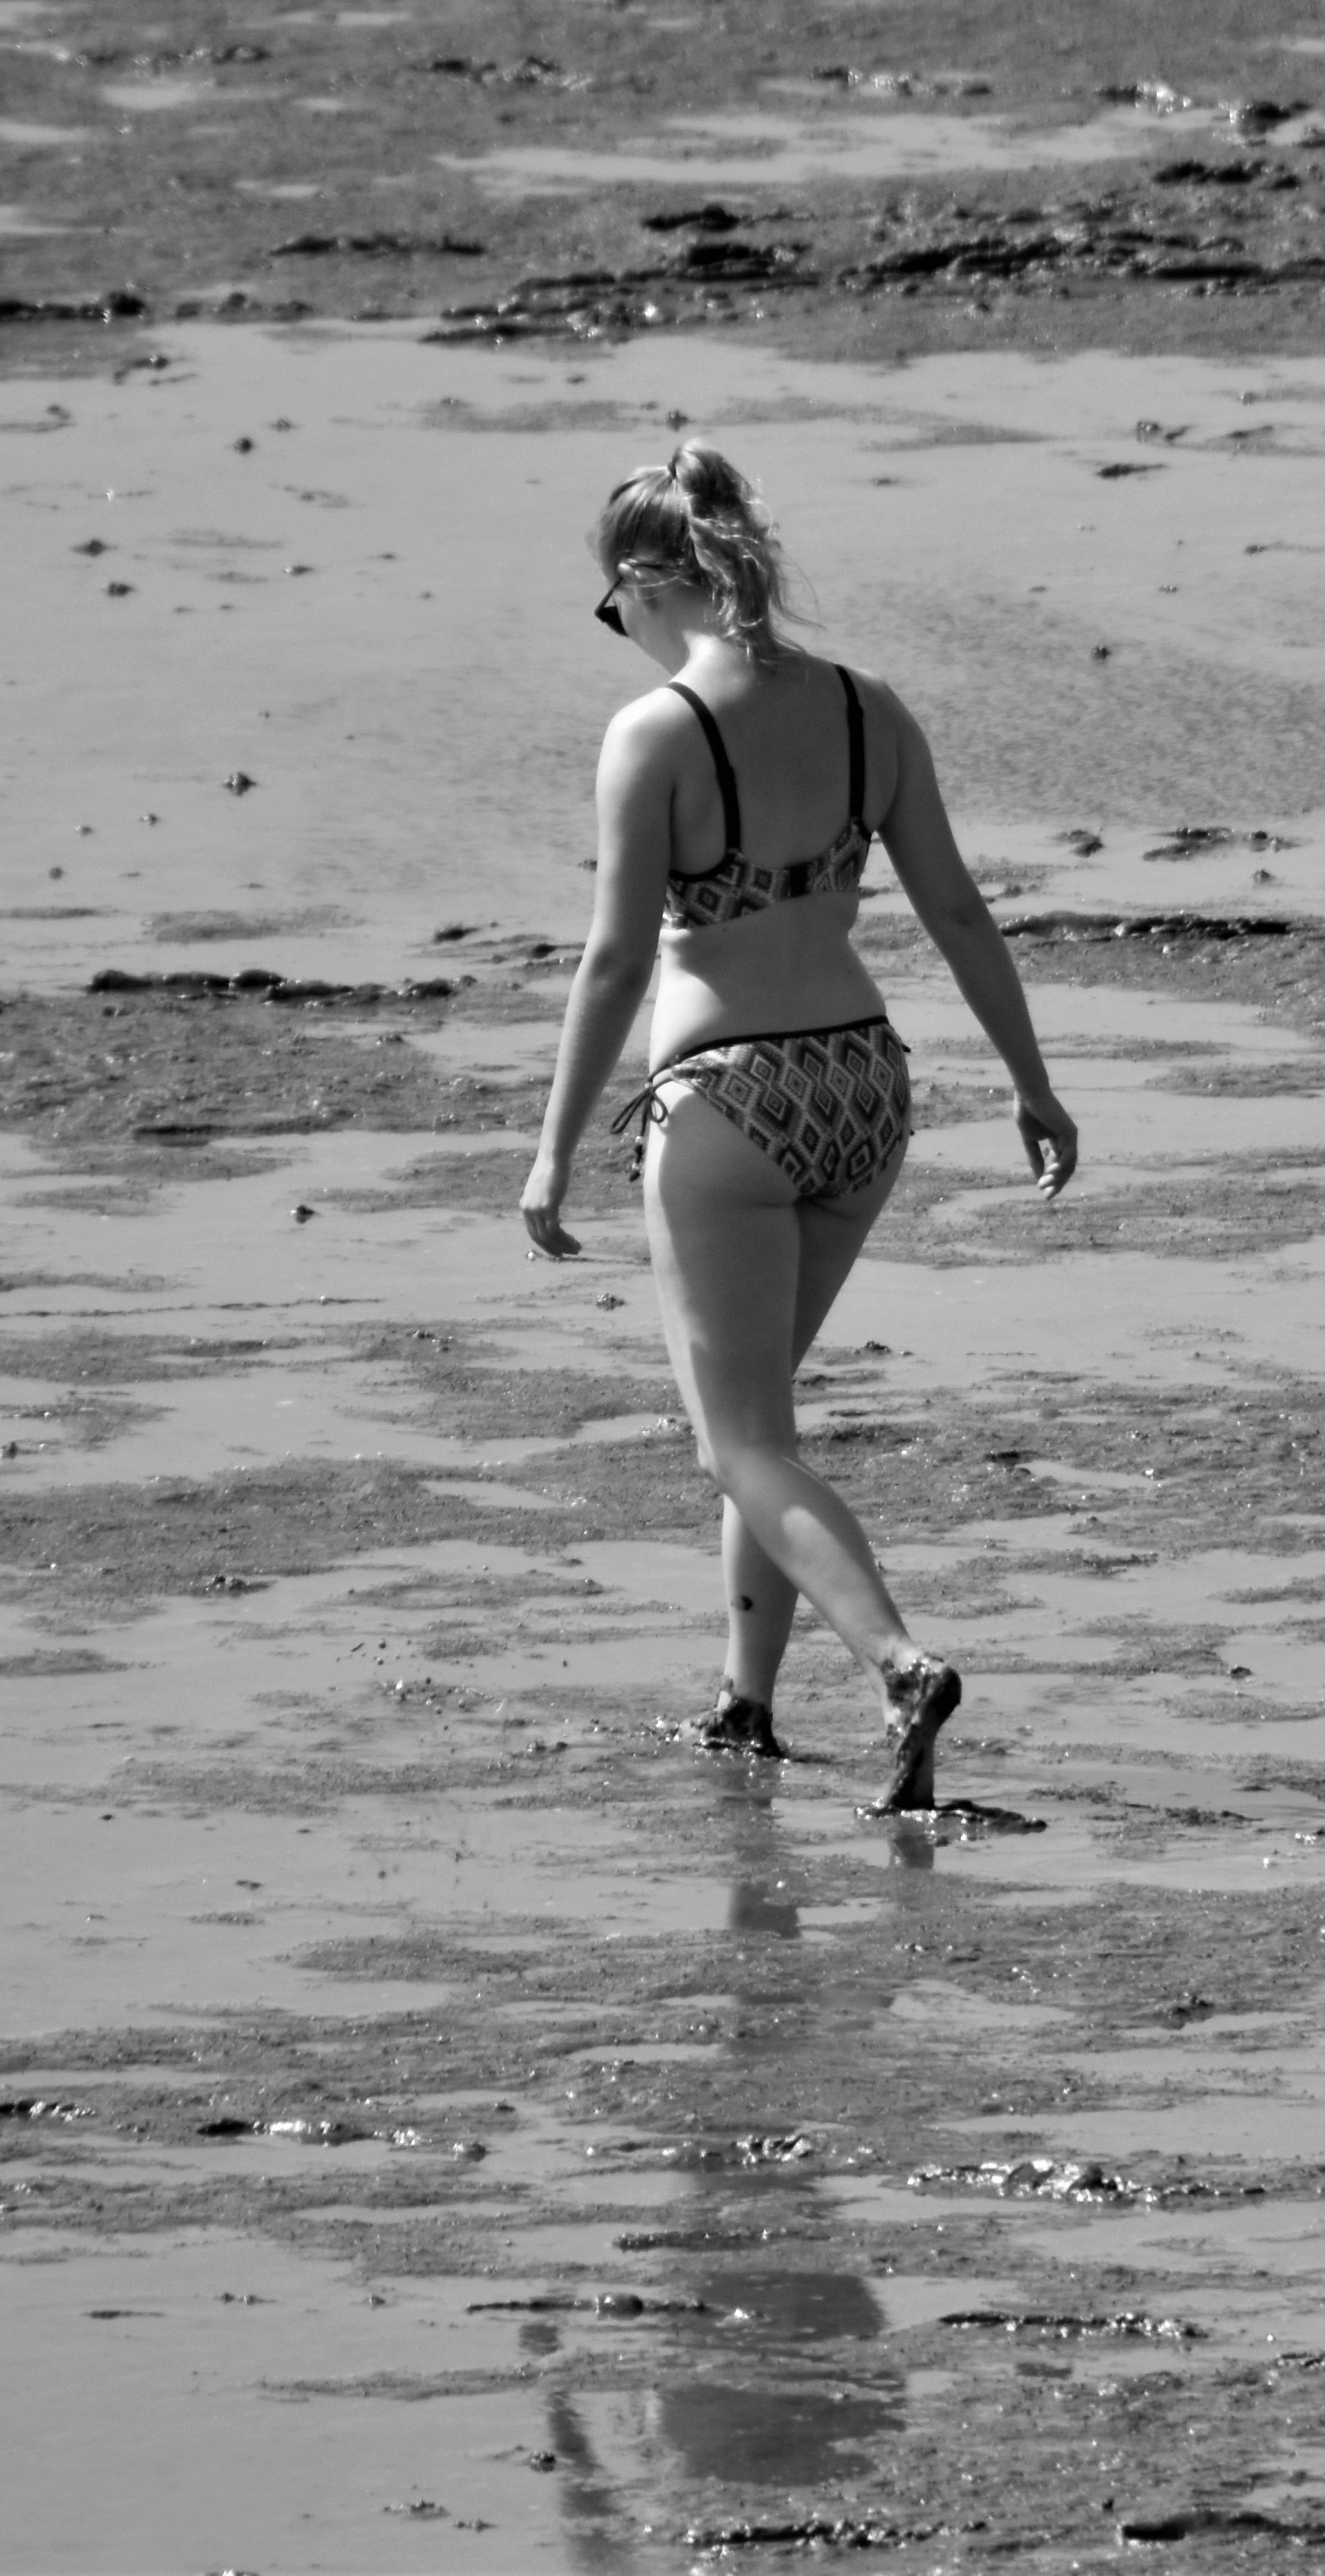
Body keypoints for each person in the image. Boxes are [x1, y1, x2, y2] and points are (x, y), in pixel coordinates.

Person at [522, 440, 1078, 1810]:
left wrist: (548, 1151)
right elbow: (955, 909)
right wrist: (1032, 1079)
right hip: (861, 1090)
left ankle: (897, 1662)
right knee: (759, 1426)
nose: (620, 634)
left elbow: (609, 963)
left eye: (614, 606)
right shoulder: (864, 710)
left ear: (656, 580)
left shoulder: (655, 732)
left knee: (737, 1442)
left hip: (727, 1098)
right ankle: (743, 1703)